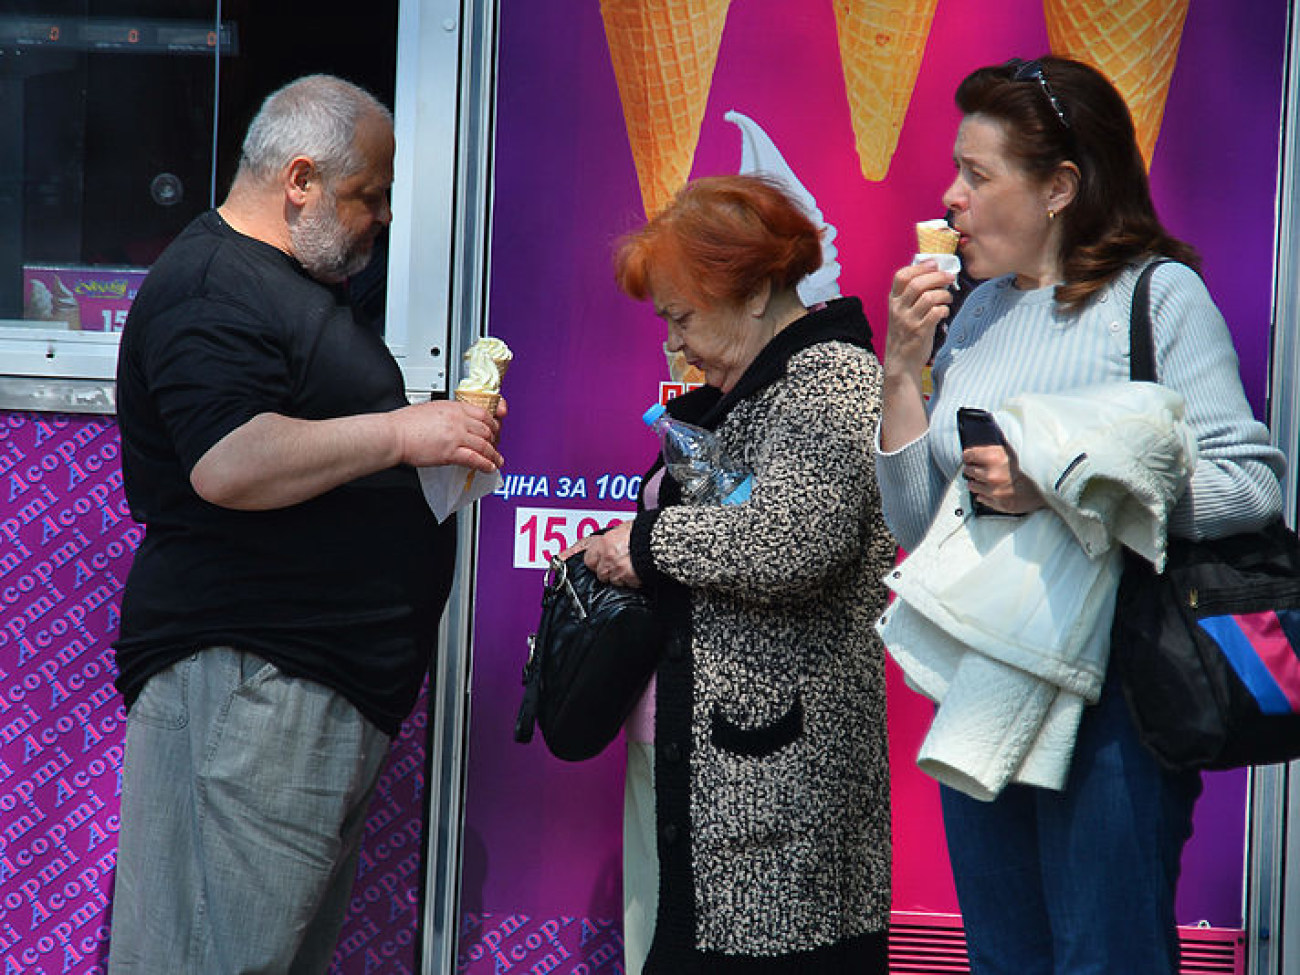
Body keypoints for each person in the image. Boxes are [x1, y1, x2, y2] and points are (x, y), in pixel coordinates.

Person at [877, 55, 1285, 973]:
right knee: (1004, 959)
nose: (950, 198)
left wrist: (1062, 486)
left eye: (978, 176)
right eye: (956, 171)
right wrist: (904, 368)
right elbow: (913, 524)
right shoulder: (975, 315)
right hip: (985, 688)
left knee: (1107, 957)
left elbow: (1251, 484)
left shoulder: (1156, 297)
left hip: (1117, 698)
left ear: (1060, 185)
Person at [108, 75, 505, 973]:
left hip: (297, 686)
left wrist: (419, 451)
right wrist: (404, 430)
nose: (384, 219)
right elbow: (229, 460)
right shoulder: (215, 285)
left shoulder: (284, 286)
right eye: (370, 195)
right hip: (254, 681)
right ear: (299, 180)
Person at [572, 174, 895, 973]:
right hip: (703, 764)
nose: (675, 345)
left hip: (777, 786)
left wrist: (645, 545)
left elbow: (795, 540)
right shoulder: (749, 388)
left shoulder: (830, 382)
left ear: (754, 293)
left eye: (682, 318)